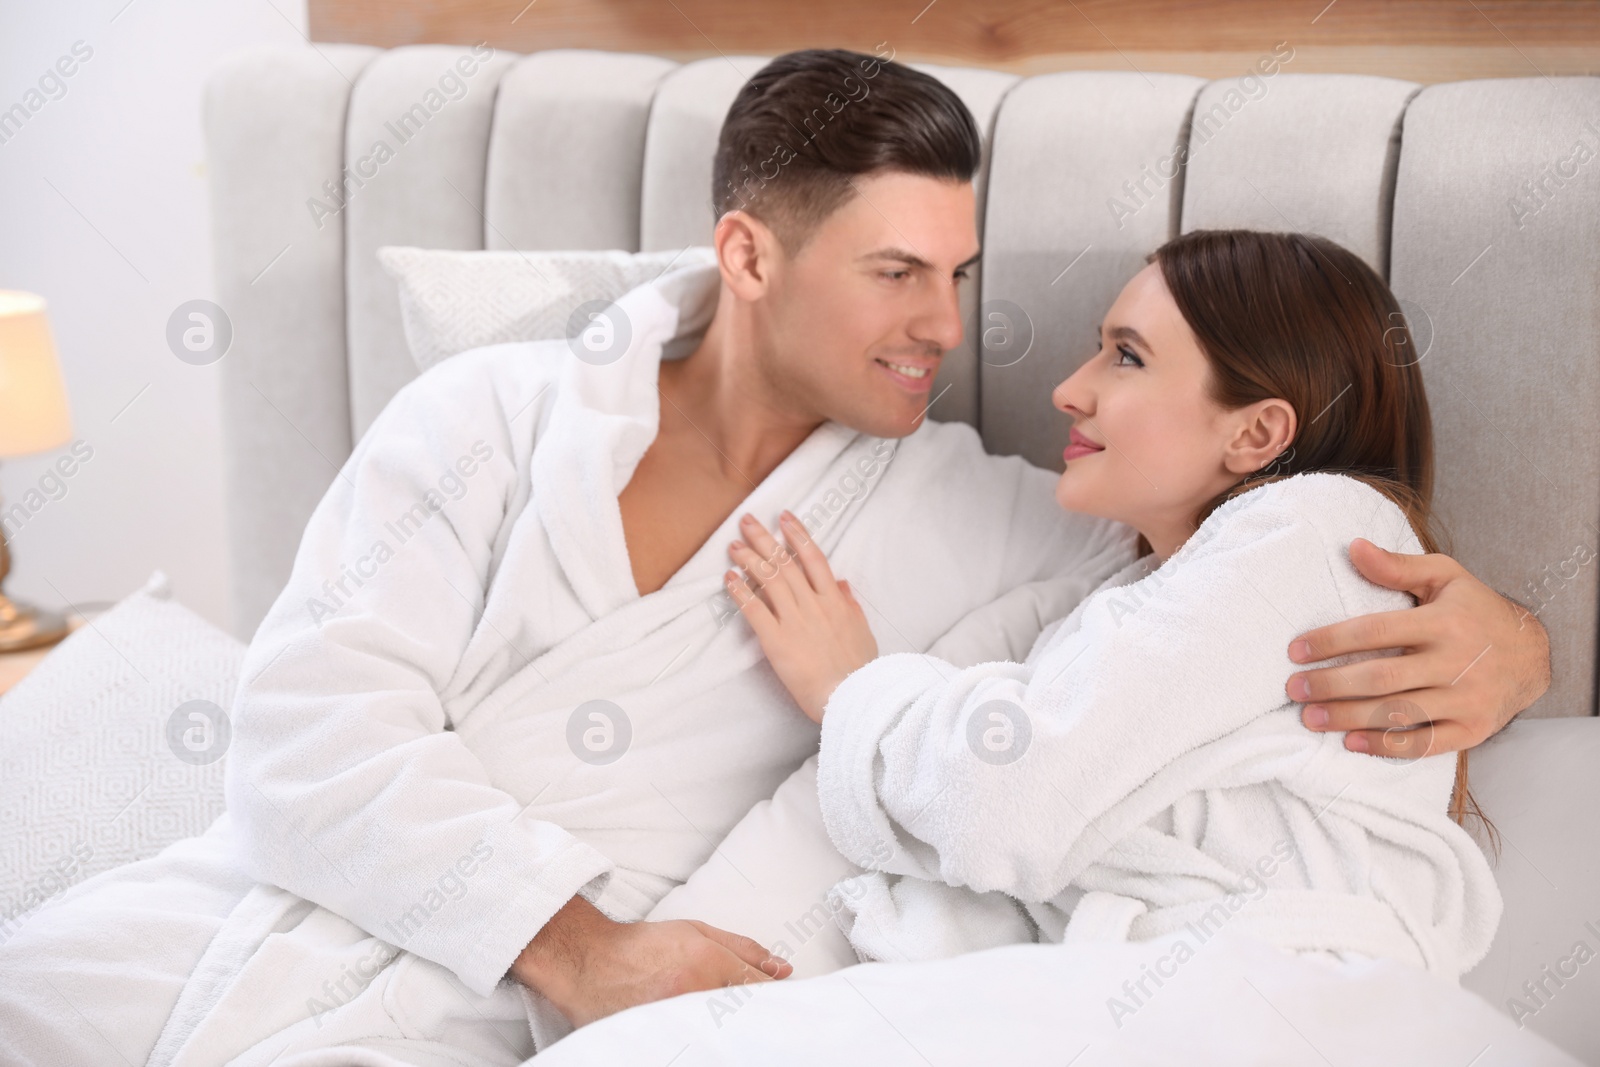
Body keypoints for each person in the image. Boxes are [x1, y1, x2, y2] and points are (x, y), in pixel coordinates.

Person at [0, 50, 1546, 1066]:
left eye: (958, 274)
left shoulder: (986, 517)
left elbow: (1181, 606)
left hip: (471, 1014)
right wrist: (585, 947)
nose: (948, 327)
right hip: (240, 916)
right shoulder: (487, 418)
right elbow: (304, 730)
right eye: (895, 273)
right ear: (748, 255)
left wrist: (1506, 639)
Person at [722, 228, 1501, 977]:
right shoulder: (1136, 591)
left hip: (1280, 999)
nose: (1068, 390)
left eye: (1125, 356)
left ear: (1257, 431)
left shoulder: (1319, 529)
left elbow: (1013, 792)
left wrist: (852, 690)